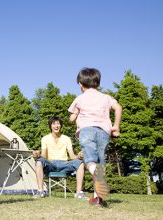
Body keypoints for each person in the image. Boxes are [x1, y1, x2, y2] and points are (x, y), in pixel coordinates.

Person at [68, 67, 122, 207]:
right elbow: (118, 107)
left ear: (80, 83)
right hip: (104, 132)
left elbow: (72, 118)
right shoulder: (106, 97)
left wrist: (74, 116)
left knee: (90, 162)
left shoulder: (79, 99)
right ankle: (97, 198)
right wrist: (116, 126)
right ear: (97, 82)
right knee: (99, 165)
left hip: (87, 131)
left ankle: (99, 190)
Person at [32, 116, 88, 199]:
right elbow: (43, 155)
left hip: (64, 164)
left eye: (58, 124)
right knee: (39, 161)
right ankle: (40, 191)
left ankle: (79, 193)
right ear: (50, 126)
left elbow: (72, 156)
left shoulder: (66, 139)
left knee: (80, 163)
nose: (56, 126)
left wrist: (79, 156)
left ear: (61, 126)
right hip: (50, 164)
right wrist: (38, 154)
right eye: (54, 124)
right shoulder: (45, 138)